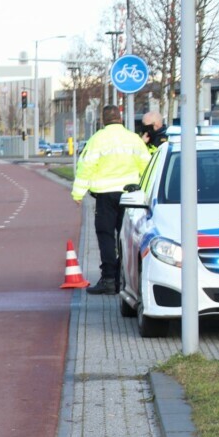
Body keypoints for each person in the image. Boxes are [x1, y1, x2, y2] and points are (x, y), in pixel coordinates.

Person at [71, 105, 151, 295]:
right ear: (120, 118)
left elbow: (85, 167)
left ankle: (109, 280)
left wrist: (78, 193)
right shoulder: (133, 139)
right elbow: (147, 166)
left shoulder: (97, 139)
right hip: (130, 197)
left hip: (105, 196)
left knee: (106, 237)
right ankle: (128, 281)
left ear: (103, 119)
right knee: (129, 237)